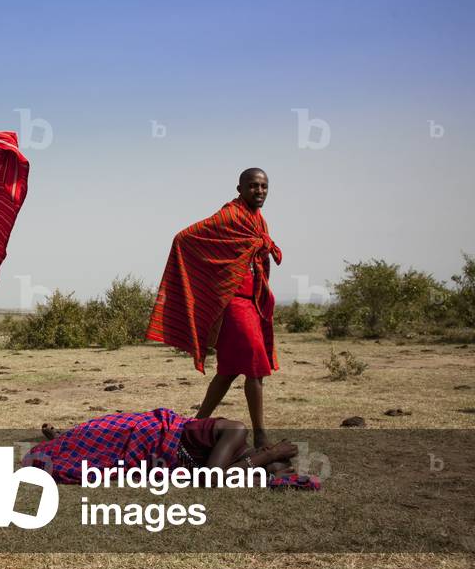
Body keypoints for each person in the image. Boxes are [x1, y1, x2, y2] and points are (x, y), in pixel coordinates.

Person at [146, 168, 281, 449]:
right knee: (256, 368)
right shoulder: (230, 215)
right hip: (234, 304)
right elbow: (184, 237)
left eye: (264, 186)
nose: (260, 191)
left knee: (229, 370)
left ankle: (193, 427)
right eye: (254, 186)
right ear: (240, 188)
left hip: (252, 302)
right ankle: (261, 436)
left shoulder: (259, 221)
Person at [24, 408, 298, 482]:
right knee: (95, 436)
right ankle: (65, 438)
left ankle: (65, 439)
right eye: (261, 466)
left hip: (155, 454)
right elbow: (211, 479)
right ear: (261, 451)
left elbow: (224, 475)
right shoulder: (236, 431)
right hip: (152, 433)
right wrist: (270, 455)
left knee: (100, 461)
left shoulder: (236, 463)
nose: (254, 470)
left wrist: (267, 463)